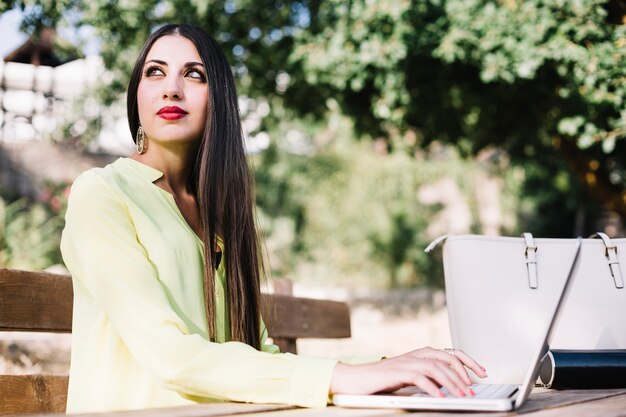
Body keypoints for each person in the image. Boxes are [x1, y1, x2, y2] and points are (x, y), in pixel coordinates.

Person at [60, 23, 487, 414]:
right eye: (155, 72)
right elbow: (171, 355)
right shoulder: (101, 194)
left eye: (194, 74)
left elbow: (260, 355)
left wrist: (393, 367)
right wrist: (353, 377)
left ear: (218, 99)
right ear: (136, 93)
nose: (171, 88)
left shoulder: (219, 215)